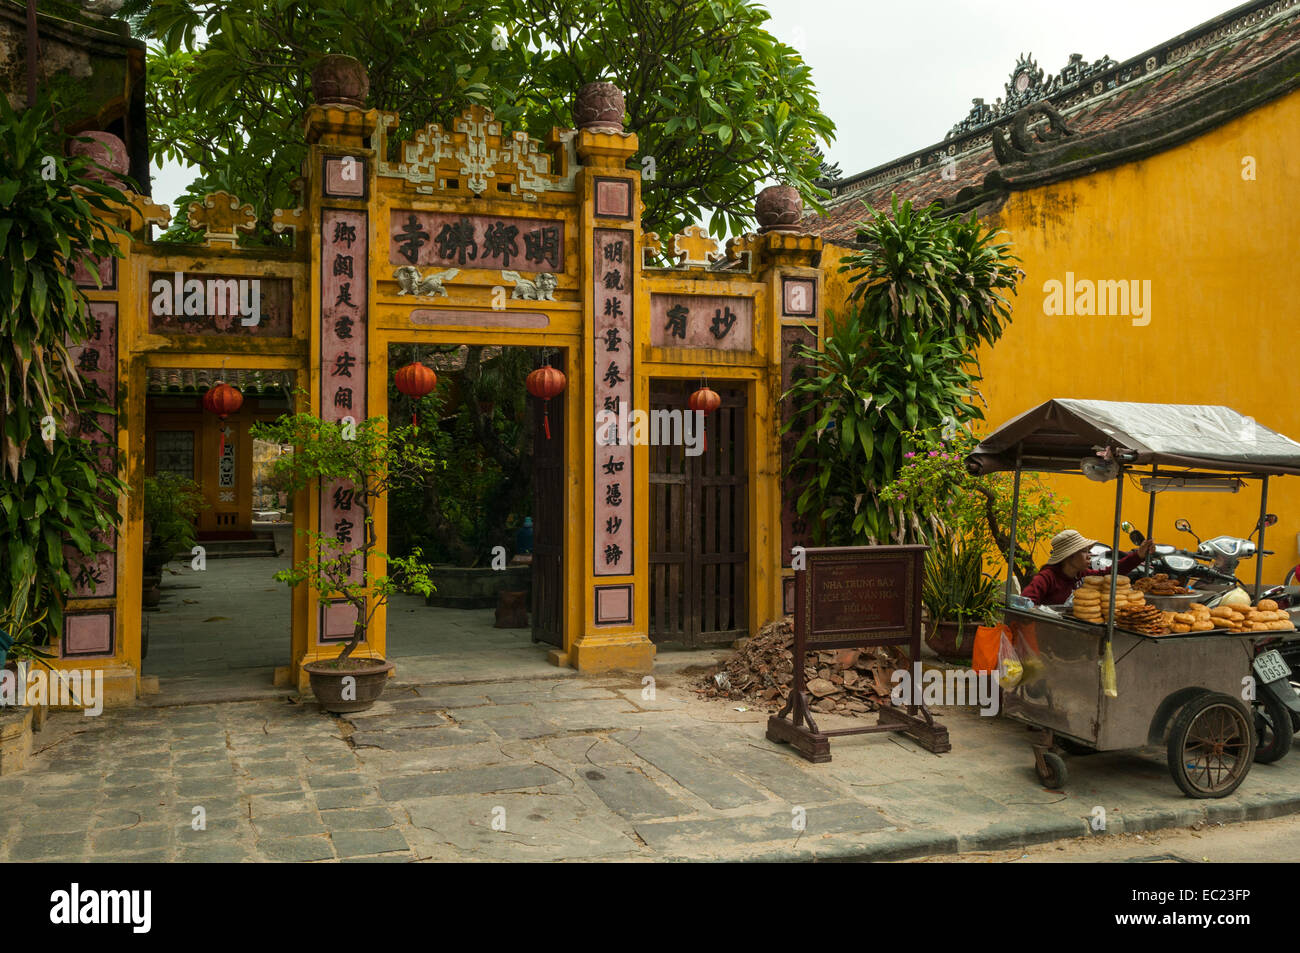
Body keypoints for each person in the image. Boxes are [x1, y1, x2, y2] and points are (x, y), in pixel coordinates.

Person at [1021, 528, 1155, 605]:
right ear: (1070, 556)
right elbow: (1024, 603)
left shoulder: (1082, 576)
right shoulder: (1046, 578)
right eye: (1084, 551)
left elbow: (1108, 574)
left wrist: (1138, 555)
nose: (1089, 555)